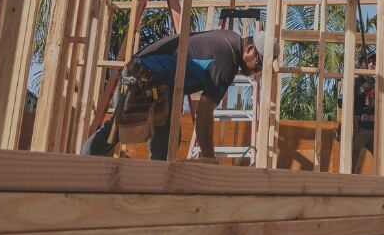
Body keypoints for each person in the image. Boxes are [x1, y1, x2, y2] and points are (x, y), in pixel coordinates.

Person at [85, 29, 262, 161]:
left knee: (168, 137)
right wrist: (209, 159)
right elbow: (203, 113)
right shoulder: (228, 59)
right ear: (250, 49)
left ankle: (153, 184)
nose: (258, 71)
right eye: (259, 64)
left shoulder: (229, 40)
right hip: (147, 75)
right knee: (120, 130)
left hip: (147, 72)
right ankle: (80, 167)